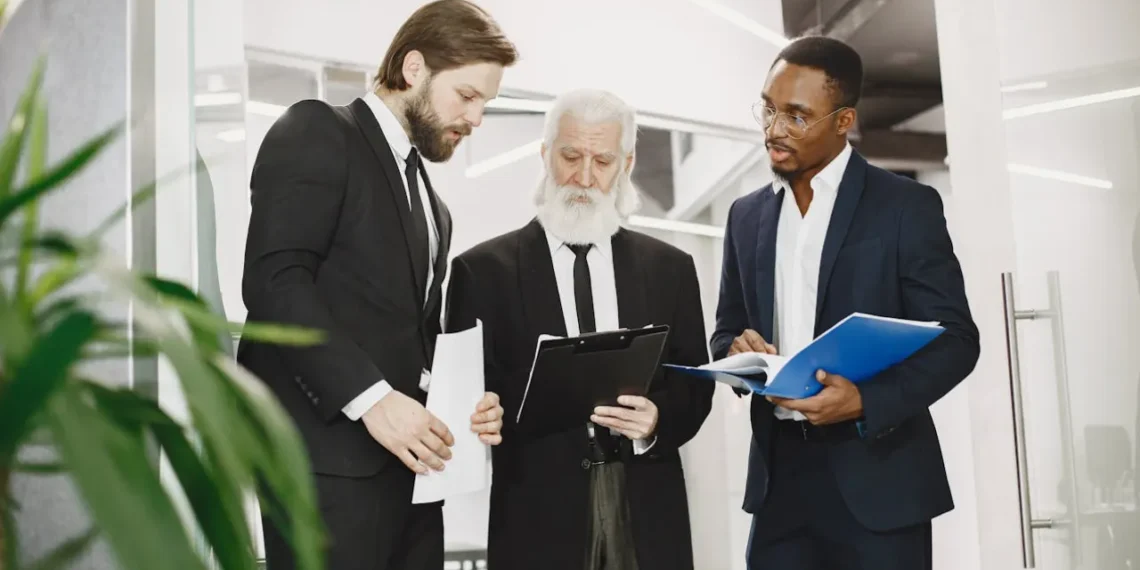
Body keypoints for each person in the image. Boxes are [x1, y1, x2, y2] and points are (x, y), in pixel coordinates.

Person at [237, 2, 517, 569]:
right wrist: (373, 400)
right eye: (467, 96)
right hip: (320, 466)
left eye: (486, 103)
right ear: (414, 69)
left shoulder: (436, 210)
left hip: (410, 477)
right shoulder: (318, 129)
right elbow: (274, 281)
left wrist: (464, 400)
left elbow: (407, 338)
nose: (476, 119)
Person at [710, 36, 980, 570]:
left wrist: (864, 401)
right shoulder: (745, 216)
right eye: (767, 108)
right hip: (778, 486)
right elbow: (726, 329)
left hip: (880, 481)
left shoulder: (905, 207)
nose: (773, 130)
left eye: (796, 116)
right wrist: (738, 351)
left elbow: (957, 340)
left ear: (843, 120)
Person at [445, 88, 714, 570]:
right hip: (536, 516)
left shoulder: (670, 268)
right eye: (570, 156)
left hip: (649, 508)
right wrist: (477, 414)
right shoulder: (480, 272)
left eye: (603, 161)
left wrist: (655, 421)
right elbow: (463, 399)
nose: (584, 178)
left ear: (626, 165)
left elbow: (695, 386)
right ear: (545, 154)